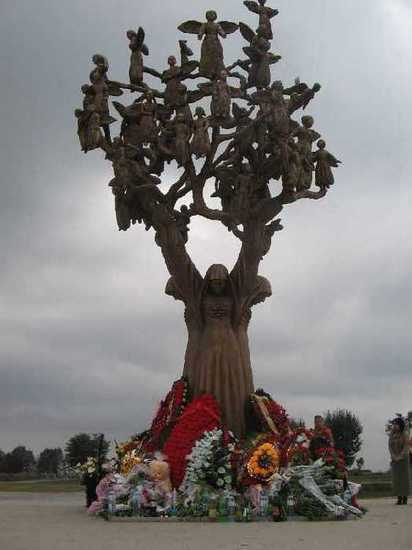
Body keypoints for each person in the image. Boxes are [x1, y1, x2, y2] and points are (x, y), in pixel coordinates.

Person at [388, 417, 410, 505]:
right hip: (394, 459)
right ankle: (399, 498)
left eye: (396, 424)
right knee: (396, 479)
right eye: (394, 424)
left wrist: (400, 456)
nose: (394, 426)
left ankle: (405, 497)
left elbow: (406, 446)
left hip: (404, 459)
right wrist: (393, 456)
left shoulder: (405, 434)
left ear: (400, 425)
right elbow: (390, 446)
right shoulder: (392, 434)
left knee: (404, 479)